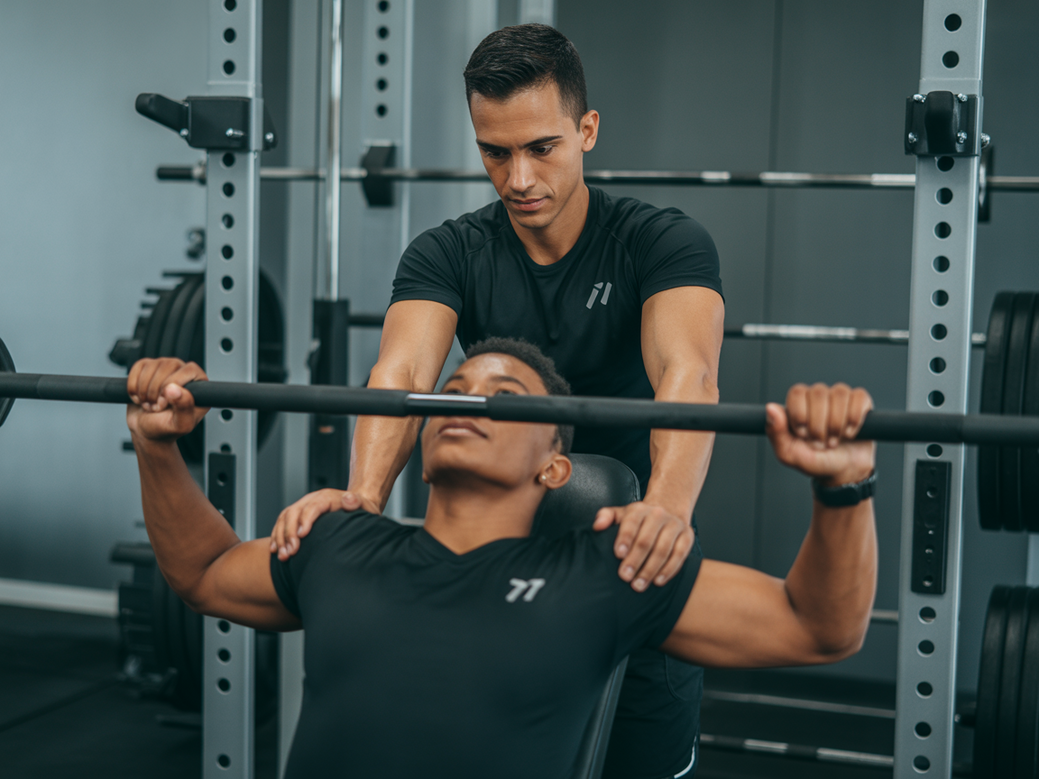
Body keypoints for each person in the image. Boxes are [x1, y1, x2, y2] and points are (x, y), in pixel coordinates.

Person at [271, 23, 724, 778]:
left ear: (586, 131)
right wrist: (362, 502)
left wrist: (666, 516)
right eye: (494, 152)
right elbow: (400, 374)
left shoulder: (661, 242)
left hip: (629, 549)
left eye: (540, 148)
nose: (517, 178)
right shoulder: (447, 251)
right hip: (500, 558)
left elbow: (688, 373)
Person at [126, 340, 877, 779]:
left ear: (555, 464)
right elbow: (203, 572)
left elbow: (817, 627)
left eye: (503, 393)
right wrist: (157, 446)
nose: (466, 400)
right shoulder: (338, 540)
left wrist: (843, 486)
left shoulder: (604, 571)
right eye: (451, 390)